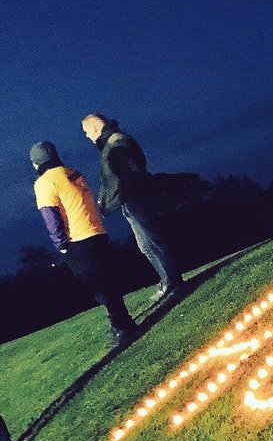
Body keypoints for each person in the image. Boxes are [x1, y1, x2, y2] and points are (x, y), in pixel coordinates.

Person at [31, 141, 140, 346]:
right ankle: (123, 322)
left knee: (98, 286)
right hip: (97, 231)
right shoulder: (72, 172)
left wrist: (60, 244)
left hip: (77, 240)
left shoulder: (44, 182)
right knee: (107, 280)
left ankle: (122, 326)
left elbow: (50, 215)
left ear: (37, 163)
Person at [81, 113, 184, 301]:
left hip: (137, 198)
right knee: (145, 245)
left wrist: (120, 196)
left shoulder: (117, 142)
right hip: (129, 200)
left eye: (86, 132)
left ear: (95, 128)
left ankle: (174, 282)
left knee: (154, 241)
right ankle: (167, 281)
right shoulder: (109, 144)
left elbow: (128, 174)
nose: (86, 136)